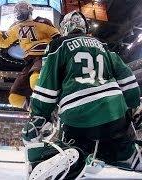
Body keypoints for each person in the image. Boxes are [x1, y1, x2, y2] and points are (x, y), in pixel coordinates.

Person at [22, 11, 142, 179]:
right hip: (115, 110)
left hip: (78, 113)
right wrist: (133, 105)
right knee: (118, 146)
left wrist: (39, 115)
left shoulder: (58, 44)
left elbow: (47, 86)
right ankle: (128, 155)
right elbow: (127, 77)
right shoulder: (103, 45)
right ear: (84, 27)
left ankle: (70, 158)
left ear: (65, 27)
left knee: (70, 147)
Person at [0, 1, 60, 109]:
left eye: (22, 7)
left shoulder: (42, 22)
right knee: (15, 98)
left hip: (44, 56)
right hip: (30, 61)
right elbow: (2, 42)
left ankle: (52, 104)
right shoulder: (15, 27)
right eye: (17, 8)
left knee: (35, 80)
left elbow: (57, 37)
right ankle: (36, 111)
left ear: (30, 9)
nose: (19, 10)